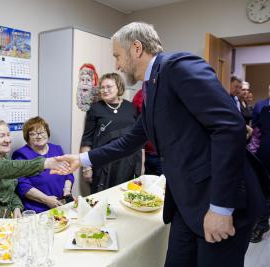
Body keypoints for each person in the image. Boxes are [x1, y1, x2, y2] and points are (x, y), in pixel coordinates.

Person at [53, 22, 266, 267]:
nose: (117, 65)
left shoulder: (179, 67)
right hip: (186, 205)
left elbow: (229, 127)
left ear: (136, 48)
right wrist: (82, 159)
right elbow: (132, 139)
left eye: (117, 55)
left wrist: (221, 208)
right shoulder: (152, 85)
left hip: (216, 199)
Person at [0, 119, 69, 225]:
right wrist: (44, 163)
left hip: (4, 215)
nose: (8, 140)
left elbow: (10, 189)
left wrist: (17, 207)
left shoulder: (4, 157)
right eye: (2, 136)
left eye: (8, 135)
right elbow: (7, 168)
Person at [80, 73, 141, 193]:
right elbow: (87, 141)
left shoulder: (131, 108)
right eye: (102, 87)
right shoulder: (95, 109)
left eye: (109, 87)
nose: (104, 90)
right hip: (103, 164)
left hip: (128, 165)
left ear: (119, 87)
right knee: (102, 202)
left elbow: (139, 139)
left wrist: (141, 166)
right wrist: (86, 168)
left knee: (125, 199)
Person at [12, 117, 74, 213]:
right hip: (38, 210)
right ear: (27, 137)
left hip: (62, 204)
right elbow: (22, 186)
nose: (39, 136)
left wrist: (67, 191)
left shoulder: (57, 149)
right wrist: (46, 200)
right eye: (34, 134)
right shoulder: (21, 154)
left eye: (42, 132)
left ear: (47, 133)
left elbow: (68, 172)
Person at [248, 106, 270, 243]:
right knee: (264, 191)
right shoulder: (266, 110)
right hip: (263, 157)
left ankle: (262, 224)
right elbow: (257, 132)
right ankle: (262, 223)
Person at [132, 89, 162, 175]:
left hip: (164, 155)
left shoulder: (169, 91)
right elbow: (134, 124)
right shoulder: (139, 95)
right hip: (144, 154)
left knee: (162, 186)